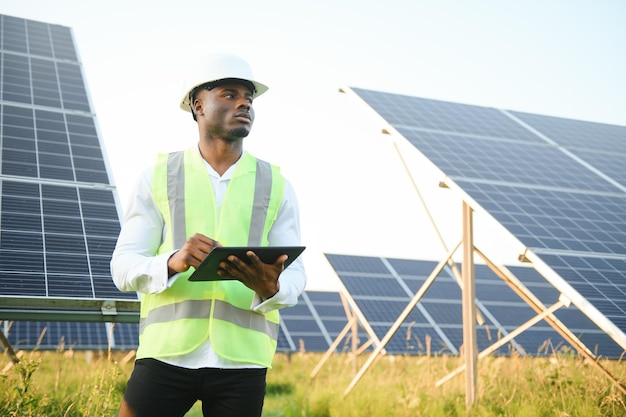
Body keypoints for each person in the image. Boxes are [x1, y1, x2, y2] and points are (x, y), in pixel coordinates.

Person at [110, 53, 307, 417]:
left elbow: (296, 273)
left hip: (243, 363)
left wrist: (273, 288)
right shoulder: (157, 176)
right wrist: (172, 261)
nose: (244, 102)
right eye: (229, 94)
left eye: (248, 97)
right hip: (167, 356)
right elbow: (123, 267)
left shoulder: (277, 185)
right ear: (198, 106)